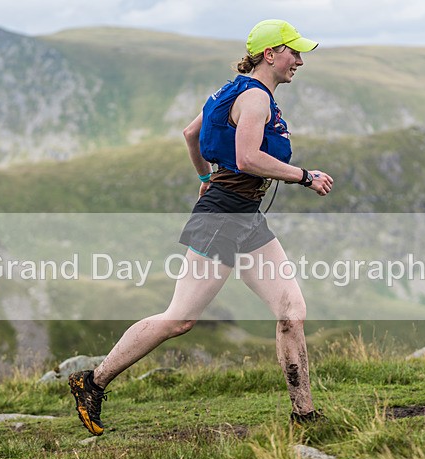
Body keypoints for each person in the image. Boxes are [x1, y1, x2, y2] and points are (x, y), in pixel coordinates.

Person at [69, 20, 334, 435]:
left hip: (244, 213)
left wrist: (203, 179)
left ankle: (304, 414)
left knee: (290, 312)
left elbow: (191, 133)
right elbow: (247, 159)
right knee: (180, 319)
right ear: (270, 54)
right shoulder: (254, 99)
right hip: (223, 214)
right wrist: (303, 176)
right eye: (293, 52)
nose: (299, 60)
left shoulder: (231, 90)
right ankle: (93, 381)